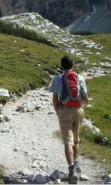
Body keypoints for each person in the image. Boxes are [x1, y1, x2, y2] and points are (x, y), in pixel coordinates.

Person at [49, 55, 89, 184]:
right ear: (73, 64)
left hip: (64, 111)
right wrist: (79, 106)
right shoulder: (80, 78)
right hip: (78, 110)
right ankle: (77, 166)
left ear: (61, 65)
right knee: (76, 141)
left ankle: (71, 170)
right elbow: (86, 99)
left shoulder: (58, 78)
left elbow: (55, 99)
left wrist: (58, 112)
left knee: (67, 141)